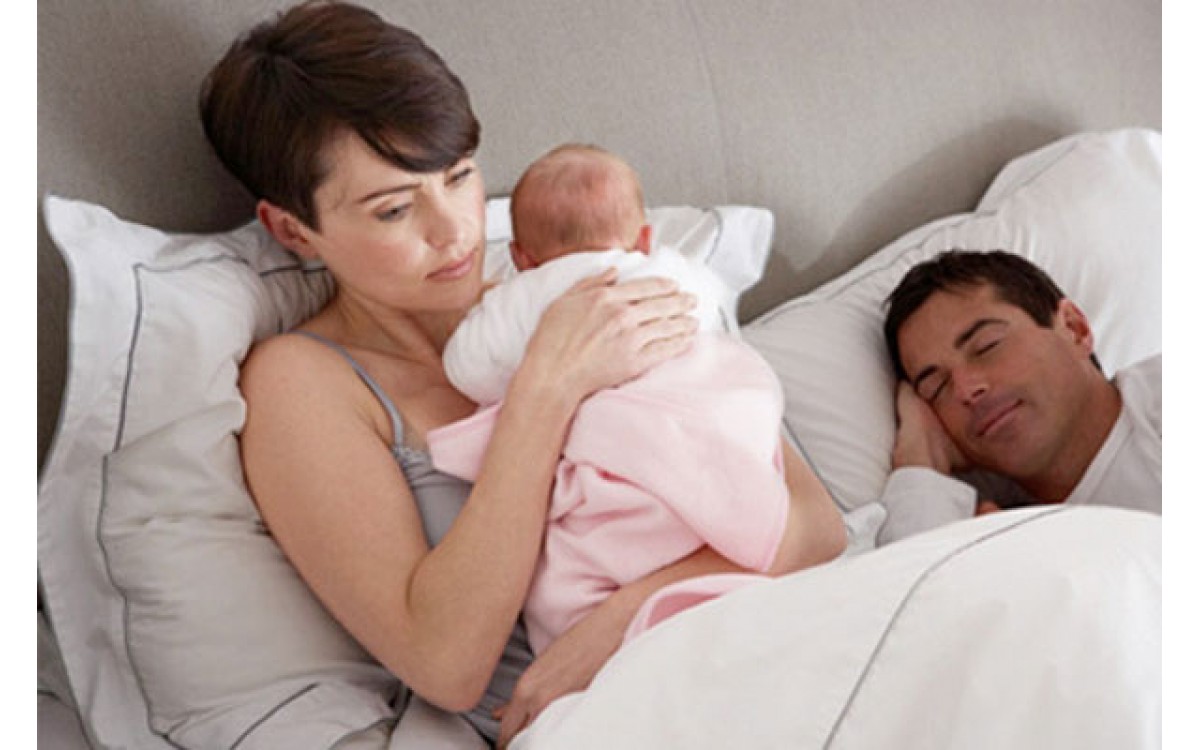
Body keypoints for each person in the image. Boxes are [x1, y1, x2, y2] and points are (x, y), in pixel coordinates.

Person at [198, 2, 847, 746]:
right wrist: (547, 388)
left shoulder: (574, 291)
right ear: (293, 230)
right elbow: (445, 663)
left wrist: (617, 621)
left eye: (459, 176)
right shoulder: (303, 384)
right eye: (394, 210)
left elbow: (815, 525)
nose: (456, 230)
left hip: (753, 643)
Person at [429, 143, 844, 656]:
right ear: (645, 238)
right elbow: (711, 318)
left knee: (588, 549)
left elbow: (468, 368)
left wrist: (485, 312)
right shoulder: (677, 274)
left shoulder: (521, 298)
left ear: (520, 258)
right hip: (703, 442)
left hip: (621, 454)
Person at [873, 249, 1161, 545]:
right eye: (936, 388)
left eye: (987, 346)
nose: (965, 390)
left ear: (1074, 329)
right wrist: (921, 462)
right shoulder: (995, 532)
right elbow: (915, 569)